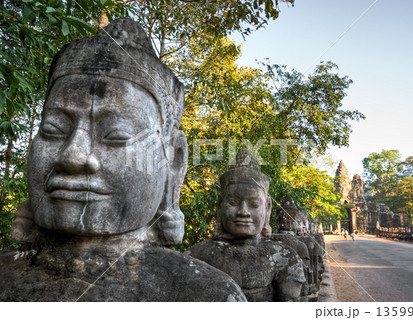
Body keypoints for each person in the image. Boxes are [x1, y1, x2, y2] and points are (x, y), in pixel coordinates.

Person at [0, 18, 246, 302]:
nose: (73, 156)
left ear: (173, 162)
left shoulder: (205, 296)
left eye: (116, 135)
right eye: (53, 130)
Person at [187, 148, 306, 302]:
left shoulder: (284, 257)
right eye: (233, 202)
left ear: (267, 208)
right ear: (220, 205)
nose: (243, 211)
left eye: (254, 204)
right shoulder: (198, 255)